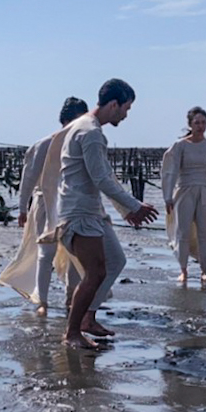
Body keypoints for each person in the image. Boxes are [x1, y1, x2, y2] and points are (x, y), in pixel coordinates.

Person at [49, 78, 158, 350]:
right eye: (126, 108)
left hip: (91, 211)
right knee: (95, 272)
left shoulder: (86, 127)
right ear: (113, 104)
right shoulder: (91, 132)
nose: (126, 114)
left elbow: (102, 176)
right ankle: (72, 332)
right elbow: (102, 179)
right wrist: (134, 205)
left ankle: (88, 319)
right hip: (79, 213)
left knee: (115, 261)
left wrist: (125, 210)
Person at [0, 96, 90, 315]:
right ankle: (42, 302)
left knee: (75, 253)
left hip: (72, 204)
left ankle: (71, 298)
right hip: (45, 204)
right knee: (45, 253)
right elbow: (28, 178)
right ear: (68, 118)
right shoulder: (44, 144)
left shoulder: (82, 141)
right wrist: (22, 208)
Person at [160, 106, 206, 286]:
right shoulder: (180, 145)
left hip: (204, 191)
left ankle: (204, 270)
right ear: (190, 124)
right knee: (184, 231)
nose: (200, 126)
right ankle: (183, 269)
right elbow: (171, 172)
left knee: (204, 232)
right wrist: (167, 197)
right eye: (197, 123)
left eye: (204, 122)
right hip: (184, 190)